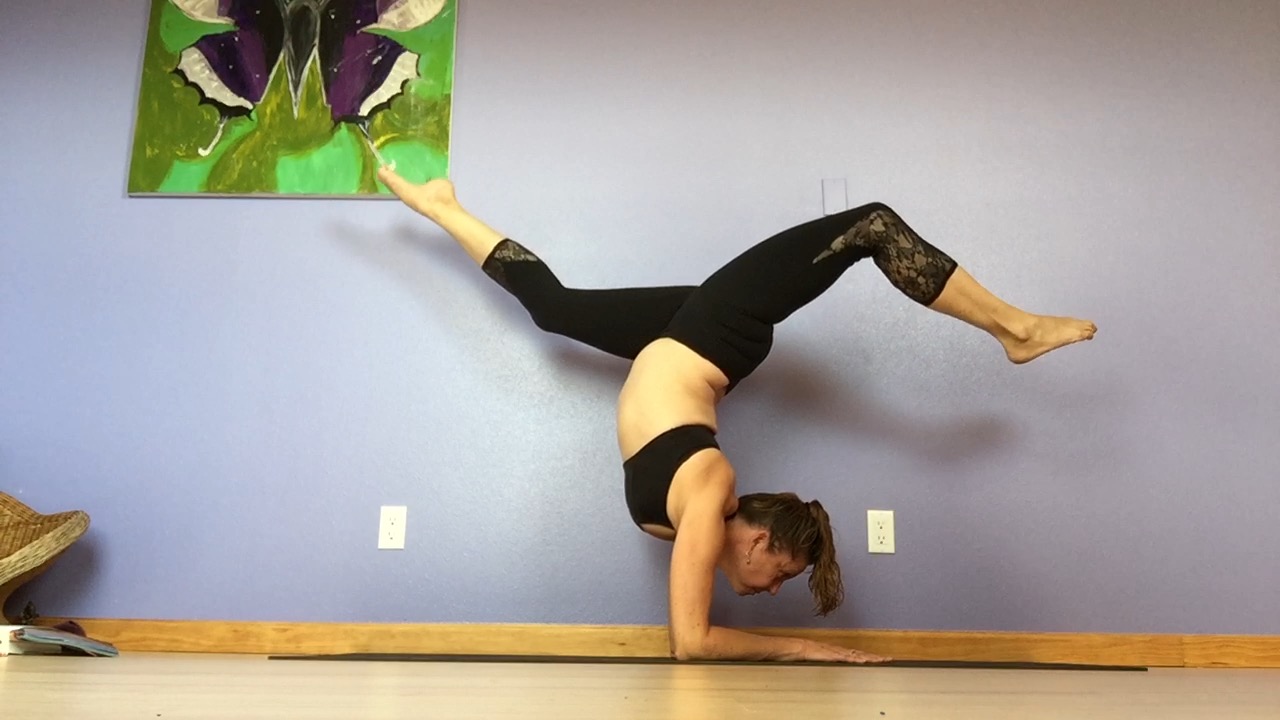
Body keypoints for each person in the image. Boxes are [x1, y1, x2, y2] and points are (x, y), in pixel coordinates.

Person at [376, 166, 1096, 663]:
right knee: (871, 224)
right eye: (784, 571)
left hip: (674, 335)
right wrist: (803, 649)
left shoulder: (690, 518)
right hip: (715, 335)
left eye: (784, 581)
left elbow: (686, 641)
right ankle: (1016, 329)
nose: (774, 586)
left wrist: (800, 646)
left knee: (554, 309)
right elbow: (693, 644)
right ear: (757, 541)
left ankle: (442, 207)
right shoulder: (711, 489)